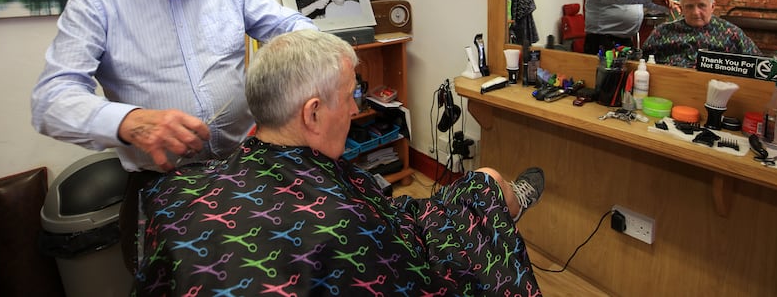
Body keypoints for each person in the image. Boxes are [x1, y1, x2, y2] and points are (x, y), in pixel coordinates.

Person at [30, 0, 317, 270]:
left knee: (265, 268)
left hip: (245, 166)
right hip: (160, 184)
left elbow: (293, 25)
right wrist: (131, 121)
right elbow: (51, 100)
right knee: (173, 280)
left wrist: (321, 55)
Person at [132, 30, 545, 295]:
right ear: (311, 114)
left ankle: (506, 199)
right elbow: (408, 271)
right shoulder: (344, 225)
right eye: (350, 95)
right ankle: (510, 203)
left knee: (477, 184)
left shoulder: (171, 192)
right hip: (382, 233)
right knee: (485, 183)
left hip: (368, 216)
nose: (354, 108)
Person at [643, 0, 762, 67]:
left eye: (702, 6)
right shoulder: (663, 32)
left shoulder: (731, 34)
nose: (696, 12)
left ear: (712, 7)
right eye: (689, 6)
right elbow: (641, 62)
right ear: (681, 8)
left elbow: (759, 64)